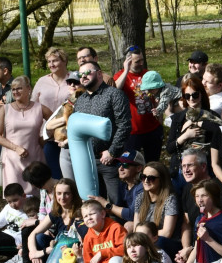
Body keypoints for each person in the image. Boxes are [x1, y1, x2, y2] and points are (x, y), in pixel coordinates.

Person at [73, 62, 131, 200]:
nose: (83, 77)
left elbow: (125, 125)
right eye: (80, 74)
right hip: (87, 163)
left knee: (116, 203)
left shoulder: (114, 95)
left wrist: (112, 151)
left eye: (88, 72)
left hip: (111, 162)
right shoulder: (80, 101)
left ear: (99, 73)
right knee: (92, 206)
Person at [0, 77, 51, 196]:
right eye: (13, 89)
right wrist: (16, 148)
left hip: (35, 158)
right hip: (12, 160)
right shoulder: (5, 109)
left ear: (28, 89)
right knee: (16, 196)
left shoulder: (39, 108)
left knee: (38, 196)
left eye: (19, 88)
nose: (15, 92)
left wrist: (44, 139)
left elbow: (56, 123)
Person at [165, 75, 221, 184]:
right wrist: (186, 135)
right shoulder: (178, 118)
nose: (191, 99)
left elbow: (219, 131)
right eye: (187, 96)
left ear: (201, 94)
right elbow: (169, 148)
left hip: (204, 168)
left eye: (195, 95)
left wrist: (196, 122)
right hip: (181, 170)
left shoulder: (211, 115)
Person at [113, 47, 163, 161]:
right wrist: (126, 71)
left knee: (153, 163)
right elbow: (115, 90)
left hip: (152, 128)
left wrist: (160, 114)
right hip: (132, 132)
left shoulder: (148, 74)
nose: (141, 63)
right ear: (128, 62)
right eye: (137, 61)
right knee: (130, 165)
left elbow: (159, 94)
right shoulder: (120, 76)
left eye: (142, 60)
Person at [32, 48, 72, 179]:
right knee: (53, 173)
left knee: (70, 174)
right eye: (49, 61)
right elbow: (33, 106)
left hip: (69, 134)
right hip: (48, 135)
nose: (51, 65)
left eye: (55, 61)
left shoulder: (74, 79)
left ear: (64, 61)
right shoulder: (42, 81)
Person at [131, 162, 180, 251]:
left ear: (161, 180)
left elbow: (166, 233)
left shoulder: (170, 199)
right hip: (145, 239)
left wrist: (144, 235)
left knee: (159, 242)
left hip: (166, 243)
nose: (146, 181)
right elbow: (135, 228)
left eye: (151, 178)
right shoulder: (140, 197)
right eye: (143, 177)